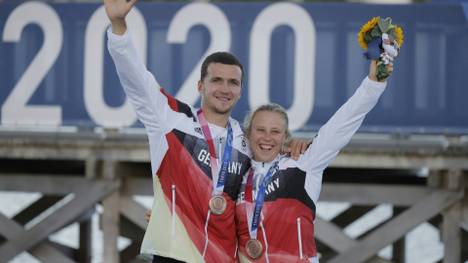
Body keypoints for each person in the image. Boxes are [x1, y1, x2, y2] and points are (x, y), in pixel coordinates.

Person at [104, 1, 307, 262]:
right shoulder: (172, 121)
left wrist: (294, 147)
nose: (225, 88)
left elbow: (269, 174)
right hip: (173, 256)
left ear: (240, 91)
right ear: (201, 85)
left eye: (233, 82)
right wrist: (119, 26)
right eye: (217, 80)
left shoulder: (247, 142)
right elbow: (136, 79)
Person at [235, 60, 392, 263]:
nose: (267, 137)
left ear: (285, 137)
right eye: (260, 130)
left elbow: (343, 123)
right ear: (248, 134)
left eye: (275, 132)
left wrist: (373, 84)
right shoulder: (235, 174)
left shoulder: (303, 164)